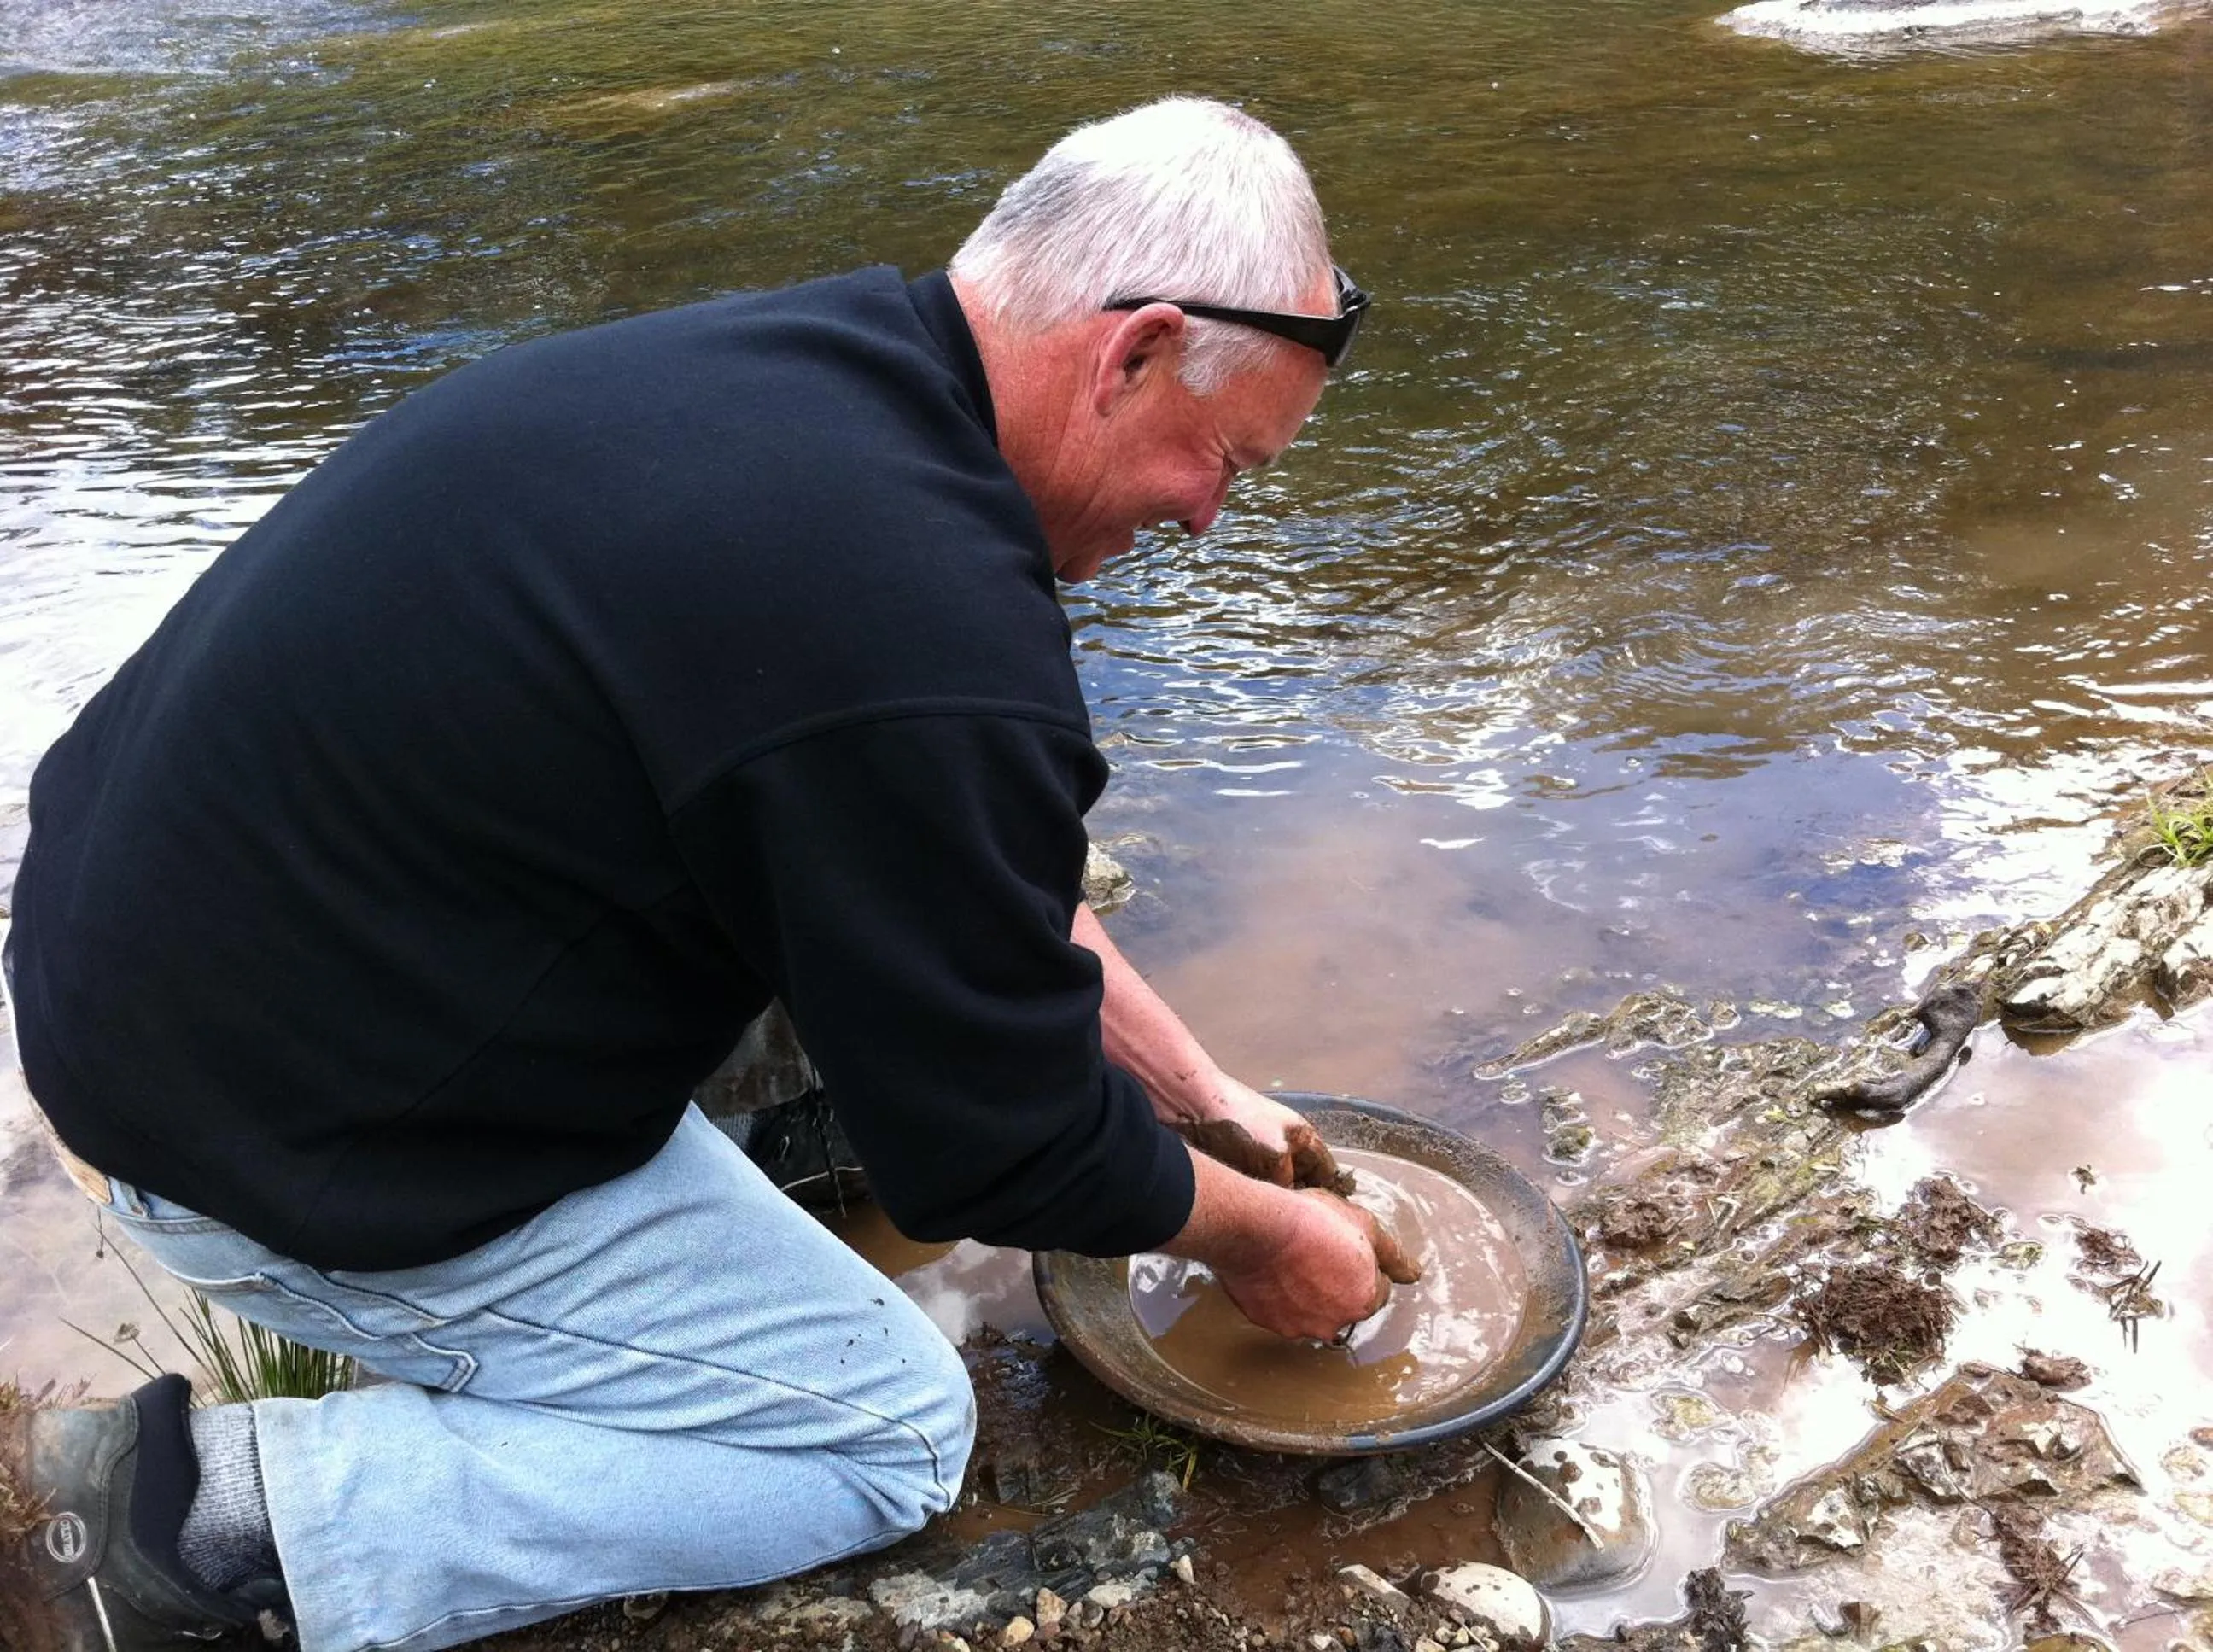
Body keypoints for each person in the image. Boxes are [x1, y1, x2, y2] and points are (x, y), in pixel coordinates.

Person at [0, 96, 1396, 1652]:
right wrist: (1265, 1239)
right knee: (886, 1435)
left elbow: (959, 853)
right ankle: (185, 1530)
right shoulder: (921, 622)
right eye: (1219, 457)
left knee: (862, 964)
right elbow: (1001, 1155)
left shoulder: (820, 370)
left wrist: (1208, 1092)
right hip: (257, 1140)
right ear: (1130, 350)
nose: (1206, 512)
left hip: (139, 957)